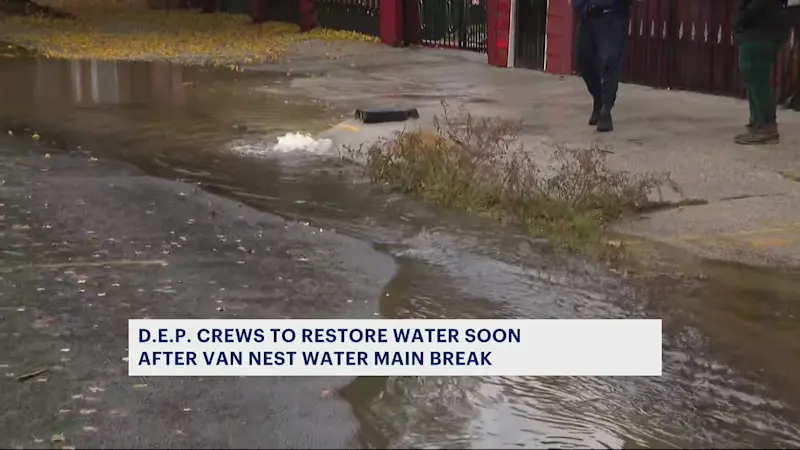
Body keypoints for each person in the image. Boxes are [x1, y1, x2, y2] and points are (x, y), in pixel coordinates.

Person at [573, 0, 636, 133]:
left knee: (610, 60)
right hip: (589, 13)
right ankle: (599, 97)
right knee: (583, 61)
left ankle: (606, 110)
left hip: (614, 15)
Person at [734, 0, 791, 145]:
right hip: (760, 31)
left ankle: (766, 125)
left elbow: (760, 5)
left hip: (760, 31)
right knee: (752, 77)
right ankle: (758, 122)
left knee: (757, 77)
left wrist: (742, 20)